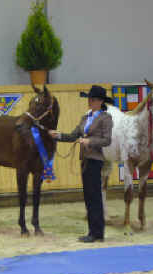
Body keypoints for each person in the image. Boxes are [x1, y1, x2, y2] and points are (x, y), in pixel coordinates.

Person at [48, 85, 112, 243]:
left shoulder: (105, 118)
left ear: (100, 101)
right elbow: (72, 136)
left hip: (95, 160)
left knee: (94, 196)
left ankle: (97, 232)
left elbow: (107, 140)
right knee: (88, 196)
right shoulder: (86, 117)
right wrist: (58, 135)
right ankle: (93, 231)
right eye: (89, 98)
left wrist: (90, 141)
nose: (89, 101)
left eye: (93, 99)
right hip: (84, 160)